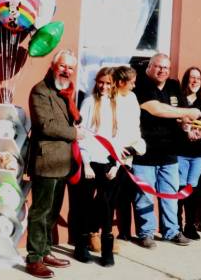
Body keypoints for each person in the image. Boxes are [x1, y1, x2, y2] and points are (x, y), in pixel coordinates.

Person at [26, 50, 87, 279]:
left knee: (52, 212)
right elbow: (45, 125)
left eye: (71, 68)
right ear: (53, 65)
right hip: (47, 160)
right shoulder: (41, 91)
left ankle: (45, 251)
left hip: (64, 161)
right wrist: (75, 134)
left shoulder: (67, 93)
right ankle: (33, 258)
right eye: (63, 66)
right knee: (40, 211)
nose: (66, 71)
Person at [132, 53, 201, 249]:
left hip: (170, 152)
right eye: (158, 66)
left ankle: (171, 231)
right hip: (144, 152)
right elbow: (156, 109)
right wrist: (188, 112)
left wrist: (188, 126)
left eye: (166, 67)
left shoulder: (173, 85)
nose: (162, 70)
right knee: (144, 195)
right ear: (149, 67)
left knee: (170, 194)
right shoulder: (141, 85)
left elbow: (179, 116)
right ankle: (146, 233)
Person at [73, 67, 118, 266]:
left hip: (109, 162)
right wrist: (86, 163)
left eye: (108, 83)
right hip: (90, 162)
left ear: (114, 84)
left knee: (106, 206)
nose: (104, 86)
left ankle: (107, 250)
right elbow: (83, 134)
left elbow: (119, 137)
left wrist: (116, 164)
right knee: (85, 204)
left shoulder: (117, 105)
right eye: (101, 82)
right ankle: (81, 247)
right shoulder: (89, 102)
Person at [111, 66, 146, 243]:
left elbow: (135, 128)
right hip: (111, 156)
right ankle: (100, 233)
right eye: (131, 83)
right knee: (109, 196)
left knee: (126, 196)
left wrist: (135, 147)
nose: (134, 86)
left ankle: (124, 232)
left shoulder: (132, 98)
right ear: (120, 82)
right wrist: (116, 148)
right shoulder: (109, 99)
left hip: (129, 155)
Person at [177, 67, 201, 240]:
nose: (195, 81)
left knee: (193, 189)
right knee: (180, 189)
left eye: (198, 78)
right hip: (181, 152)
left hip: (199, 153)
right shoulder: (178, 99)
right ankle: (177, 225)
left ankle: (190, 225)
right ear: (186, 80)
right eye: (192, 78)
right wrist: (185, 130)